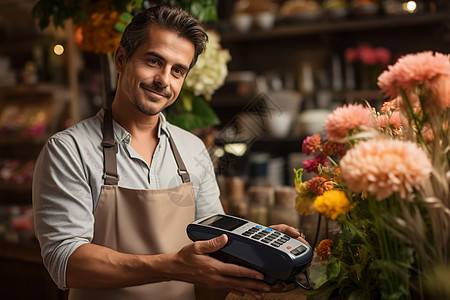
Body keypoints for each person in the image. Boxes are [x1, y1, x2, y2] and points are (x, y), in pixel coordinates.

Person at [33, 5, 304, 300]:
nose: (164, 80)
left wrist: (259, 252)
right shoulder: (69, 150)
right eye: (153, 61)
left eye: (178, 71)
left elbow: (216, 248)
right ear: (121, 59)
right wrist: (173, 267)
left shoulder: (193, 149)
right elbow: (66, 262)